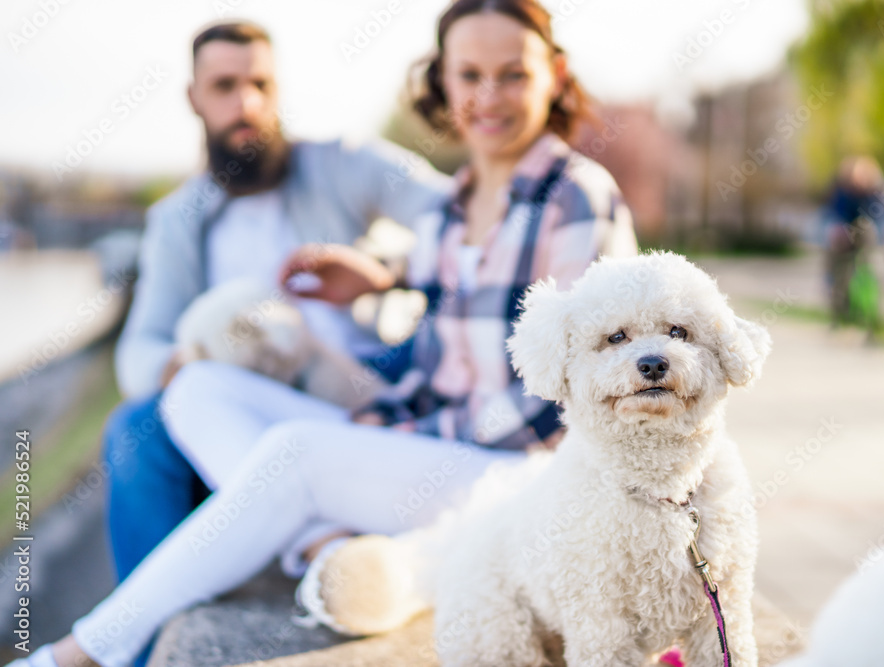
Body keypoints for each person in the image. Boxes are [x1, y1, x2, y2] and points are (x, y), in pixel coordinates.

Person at [10, 2, 637, 665]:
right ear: (443, 82)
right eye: (469, 75)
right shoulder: (455, 205)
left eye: (512, 75)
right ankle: (333, 552)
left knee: (296, 451)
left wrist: (393, 434)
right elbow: (449, 275)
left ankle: (75, 653)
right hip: (429, 443)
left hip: (520, 476)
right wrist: (380, 276)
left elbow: (578, 391)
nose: (488, 97)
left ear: (554, 73)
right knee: (197, 391)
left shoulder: (576, 196)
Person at [102, 20, 449, 589]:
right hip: (249, 397)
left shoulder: (343, 162)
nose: (247, 103)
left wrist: (386, 273)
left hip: (369, 376)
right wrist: (195, 362)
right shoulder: (176, 220)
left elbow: (465, 218)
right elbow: (138, 350)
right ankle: (154, 628)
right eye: (224, 86)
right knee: (132, 430)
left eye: (261, 84)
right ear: (194, 98)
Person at [823, 155, 884, 328]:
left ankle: (872, 316)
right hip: (845, 241)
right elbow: (836, 215)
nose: (861, 182)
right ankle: (840, 314)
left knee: (870, 271)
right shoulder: (843, 192)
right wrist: (839, 230)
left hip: (866, 240)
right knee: (839, 274)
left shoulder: (875, 194)